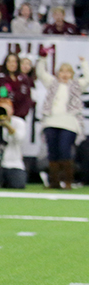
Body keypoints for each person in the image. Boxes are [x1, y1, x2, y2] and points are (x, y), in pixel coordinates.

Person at [35, 50, 89, 189]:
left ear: (72, 74)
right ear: (58, 73)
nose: (65, 74)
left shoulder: (77, 85)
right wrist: (42, 59)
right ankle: (54, 181)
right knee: (52, 151)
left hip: (69, 123)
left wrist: (84, 63)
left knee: (64, 149)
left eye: (68, 72)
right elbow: (41, 73)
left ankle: (67, 181)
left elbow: (88, 78)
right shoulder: (52, 83)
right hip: (51, 121)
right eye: (62, 71)